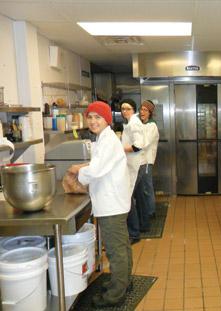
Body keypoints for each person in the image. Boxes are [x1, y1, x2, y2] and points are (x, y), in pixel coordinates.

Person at [68, 101, 132, 308]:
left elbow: (95, 171)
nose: (93, 121)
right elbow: (98, 165)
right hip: (113, 201)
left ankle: (115, 294)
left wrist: (78, 171)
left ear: (107, 120)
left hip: (111, 203)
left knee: (115, 250)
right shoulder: (104, 138)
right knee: (122, 247)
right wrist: (84, 167)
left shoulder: (108, 141)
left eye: (98, 117)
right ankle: (123, 283)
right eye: (90, 117)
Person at [120, 99, 144, 243]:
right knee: (133, 199)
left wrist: (119, 149)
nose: (125, 111)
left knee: (127, 198)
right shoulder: (130, 122)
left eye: (128, 109)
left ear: (133, 110)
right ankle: (136, 230)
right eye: (123, 109)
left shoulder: (134, 123)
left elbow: (138, 146)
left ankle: (134, 233)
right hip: (132, 165)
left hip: (134, 166)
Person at [135, 100, 159, 229]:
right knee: (143, 188)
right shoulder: (140, 124)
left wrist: (130, 148)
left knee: (146, 187)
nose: (142, 112)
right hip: (139, 161)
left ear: (150, 113)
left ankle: (150, 212)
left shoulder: (152, 126)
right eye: (141, 109)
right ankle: (146, 211)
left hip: (147, 161)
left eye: (145, 110)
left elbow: (145, 143)